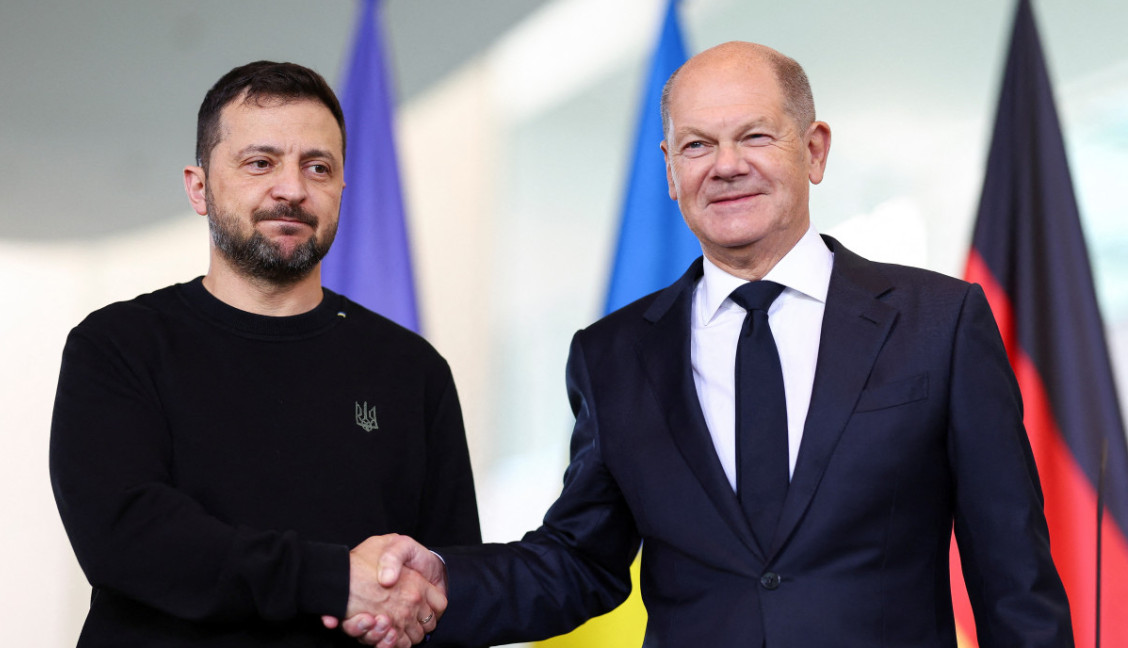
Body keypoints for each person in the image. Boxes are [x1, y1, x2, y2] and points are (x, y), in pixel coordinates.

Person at [338, 41, 1074, 647]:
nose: (725, 165)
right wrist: (430, 590)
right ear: (669, 169)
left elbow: (1013, 576)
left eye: (754, 135)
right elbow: (576, 564)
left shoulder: (938, 321)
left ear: (813, 150)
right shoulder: (614, 356)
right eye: (697, 144)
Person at [49, 61, 481, 648]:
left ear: (341, 191)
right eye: (260, 162)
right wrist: (333, 580)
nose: (292, 188)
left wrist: (406, 599)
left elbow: (444, 588)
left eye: (318, 167)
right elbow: (127, 539)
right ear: (198, 186)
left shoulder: (412, 370)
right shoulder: (119, 345)